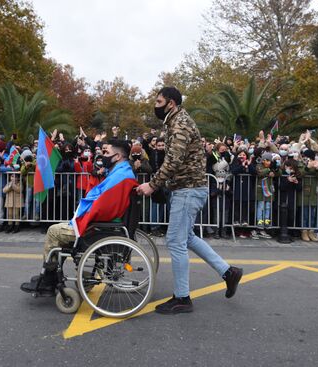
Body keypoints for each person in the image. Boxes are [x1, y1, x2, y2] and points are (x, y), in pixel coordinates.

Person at [136, 86, 243, 315]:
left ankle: (182, 298)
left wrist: (152, 184)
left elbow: (174, 159)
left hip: (188, 189)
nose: (155, 105)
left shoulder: (180, 123)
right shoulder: (175, 121)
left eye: (158, 101)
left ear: (171, 103)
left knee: (175, 241)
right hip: (187, 188)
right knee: (187, 238)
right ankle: (228, 272)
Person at [21, 140, 138, 293]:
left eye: (107, 153)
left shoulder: (121, 176)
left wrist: (82, 218)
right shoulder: (122, 172)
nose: (103, 156)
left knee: (53, 231)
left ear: (117, 156)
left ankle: (49, 278)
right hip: (106, 222)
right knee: (59, 230)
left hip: (97, 226)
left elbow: (103, 206)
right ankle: (51, 274)